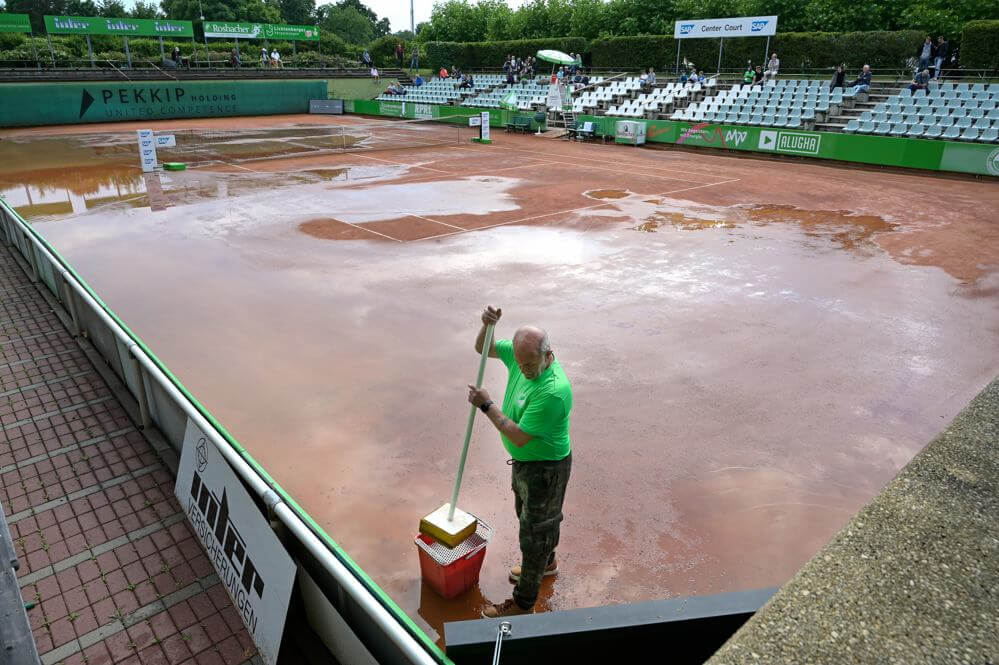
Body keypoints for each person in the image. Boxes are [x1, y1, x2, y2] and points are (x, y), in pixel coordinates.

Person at [468, 306, 573, 619]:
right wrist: (487, 326)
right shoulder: (519, 355)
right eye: (521, 362)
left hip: (546, 470)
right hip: (526, 465)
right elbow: (482, 348)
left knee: (534, 533)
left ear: (548, 355)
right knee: (529, 519)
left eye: (531, 364)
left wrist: (486, 404)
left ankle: (523, 603)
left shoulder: (553, 392)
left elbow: (518, 435)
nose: (525, 369)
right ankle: (547, 564)